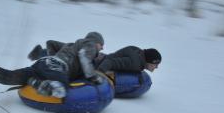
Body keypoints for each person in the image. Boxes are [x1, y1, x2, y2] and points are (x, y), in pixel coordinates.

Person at [0, 32, 105, 98]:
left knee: (7, 77)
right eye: (101, 45)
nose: (101, 48)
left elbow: (51, 43)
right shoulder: (89, 44)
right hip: (56, 68)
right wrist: (92, 76)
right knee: (61, 91)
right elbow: (84, 56)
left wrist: (48, 58)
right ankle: (34, 82)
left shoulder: (70, 45)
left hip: (44, 65)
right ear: (96, 42)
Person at [28, 40, 162, 74]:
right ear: (150, 61)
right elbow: (110, 62)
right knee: (70, 56)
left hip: (101, 57)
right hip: (98, 62)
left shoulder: (137, 52)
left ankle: (42, 51)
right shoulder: (134, 63)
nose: (157, 67)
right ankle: (42, 53)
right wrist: (98, 76)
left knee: (73, 49)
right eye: (156, 64)